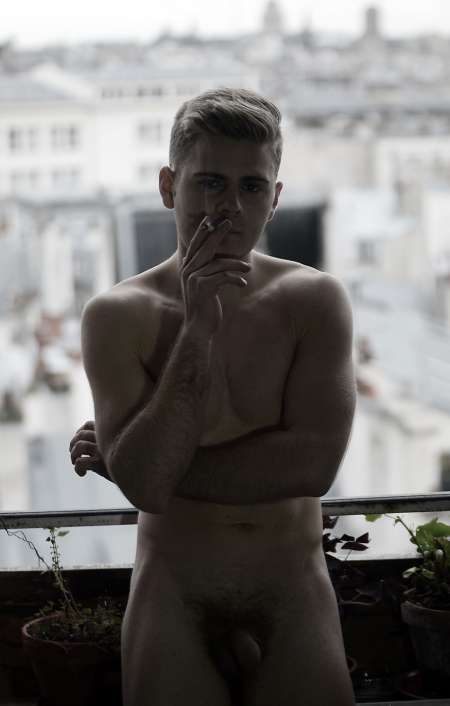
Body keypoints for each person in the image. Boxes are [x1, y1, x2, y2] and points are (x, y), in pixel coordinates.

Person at [69, 87, 357, 706]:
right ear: (168, 186)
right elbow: (147, 484)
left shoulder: (315, 301)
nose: (228, 207)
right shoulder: (117, 316)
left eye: (251, 186)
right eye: (209, 183)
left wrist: (141, 464)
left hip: (292, 590)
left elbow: (313, 465)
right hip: (174, 593)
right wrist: (197, 327)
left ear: (274, 199)